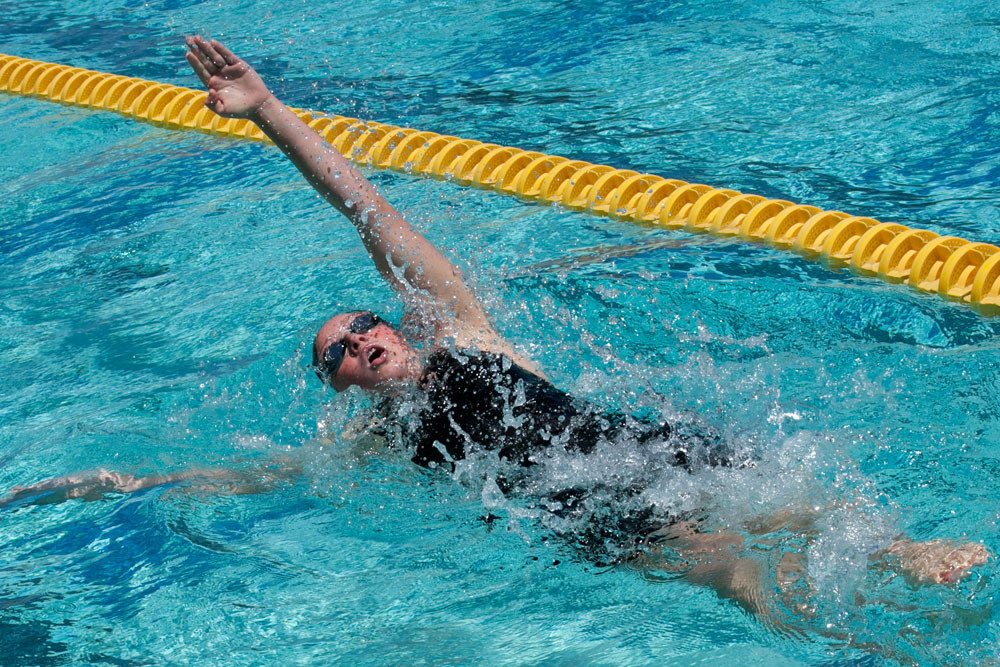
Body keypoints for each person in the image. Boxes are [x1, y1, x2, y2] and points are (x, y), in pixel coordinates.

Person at [6, 36, 985, 637]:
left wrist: (267, 111)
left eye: (362, 320)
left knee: (802, 497)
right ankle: (865, 652)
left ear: (391, 319)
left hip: (641, 450)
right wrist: (106, 487)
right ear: (341, 383)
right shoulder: (369, 440)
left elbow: (367, 212)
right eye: (336, 351)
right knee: (734, 572)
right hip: (583, 520)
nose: (357, 337)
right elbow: (233, 480)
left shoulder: (469, 335)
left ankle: (899, 557)